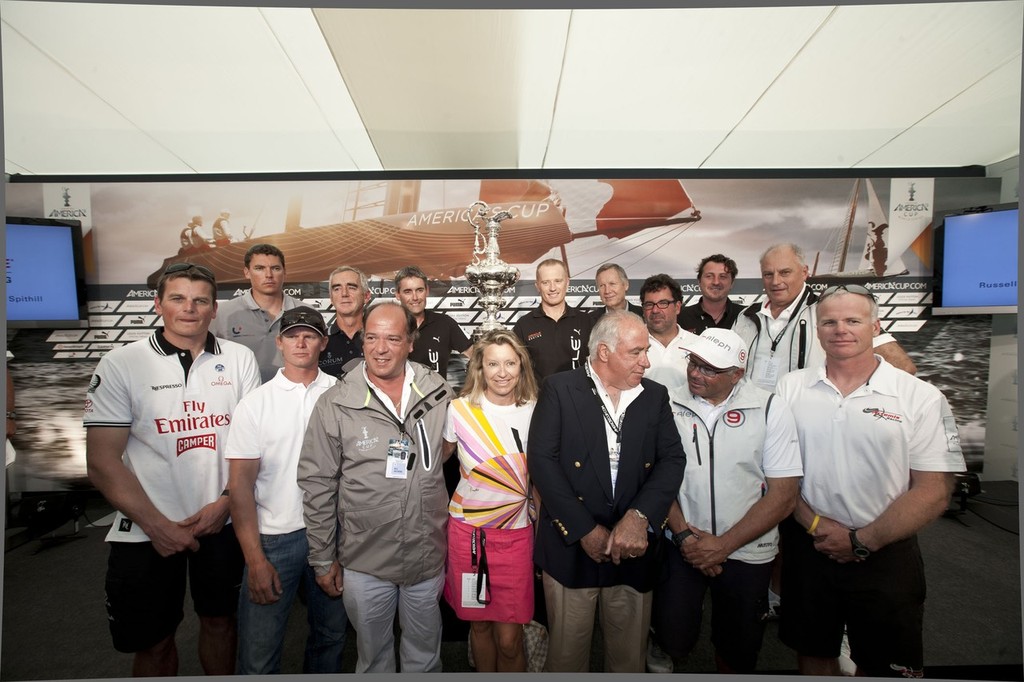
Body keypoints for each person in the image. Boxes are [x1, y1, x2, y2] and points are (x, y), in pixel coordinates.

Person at [776, 284, 965, 677]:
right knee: (812, 649)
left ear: (876, 326)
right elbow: (777, 473)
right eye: (829, 321)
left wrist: (863, 540)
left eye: (852, 320)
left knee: (885, 665)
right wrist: (814, 524)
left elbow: (934, 490)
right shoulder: (790, 388)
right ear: (817, 328)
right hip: (809, 543)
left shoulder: (921, 397)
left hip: (886, 550)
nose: (840, 329)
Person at [84, 263, 261, 676]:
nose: (190, 309)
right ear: (158, 303)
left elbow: (254, 446)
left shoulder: (239, 359)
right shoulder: (120, 363)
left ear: (215, 309)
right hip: (146, 528)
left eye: (200, 300)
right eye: (178, 298)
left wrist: (225, 503)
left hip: (222, 521)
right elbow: (102, 460)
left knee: (221, 623)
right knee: (154, 642)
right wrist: (158, 526)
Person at [297, 301, 454, 673]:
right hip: (365, 559)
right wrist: (322, 558)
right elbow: (317, 484)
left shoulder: (438, 392)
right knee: (373, 659)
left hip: (426, 552)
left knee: (424, 656)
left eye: (392, 338)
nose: (380, 348)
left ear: (410, 342)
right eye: (372, 338)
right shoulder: (335, 403)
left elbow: (449, 450)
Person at [528, 310, 685, 672]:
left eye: (646, 351)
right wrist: (583, 530)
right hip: (571, 548)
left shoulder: (654, 396)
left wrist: (639, 518)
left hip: (633, 548)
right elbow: (542, 463)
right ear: (603, 352)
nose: (646, 361)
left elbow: (672, 460)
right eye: (636, 352)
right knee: (567, 658)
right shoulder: (559, 389)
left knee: (628, 658)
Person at [650, 328, 802, 673]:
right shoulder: (667, 403)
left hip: (747, 552)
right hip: (682, 545)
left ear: (737, 374)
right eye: (693, 362)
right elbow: (656, 478)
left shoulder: (770, 408)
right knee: (673, 637)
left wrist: (723, 545)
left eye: (709, 369)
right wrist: (687, 538)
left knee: (739, 647)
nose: (694, 373)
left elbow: (784, 494)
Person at [225, 306, 348, 674]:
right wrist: (255, 559)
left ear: (323, 343)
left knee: (330, 637)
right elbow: (239, 487)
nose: (301, 342)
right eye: (292, 335)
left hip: (333, 533)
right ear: (279, 342)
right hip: (276, 538)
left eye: (309, 335)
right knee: (259, 651)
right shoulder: (255, 404)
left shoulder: (344, 395)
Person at [441, 330, 539, 672]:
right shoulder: (457, 410)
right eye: (493, 363)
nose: (502, 372)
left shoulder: (535, 410)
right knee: (479, 626)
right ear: (479, 368)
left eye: (510, 363)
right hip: (469, 537)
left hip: (516, 536)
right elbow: (434, 463)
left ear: (521, 366)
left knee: (511, 639)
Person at [733, 243, 916, 392]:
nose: (776, 281)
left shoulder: (831, 311)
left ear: (804, 272)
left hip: (804, 421)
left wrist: (853, 402)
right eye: (768, 274)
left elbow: (903, 367)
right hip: (752, 419)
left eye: (785, 272)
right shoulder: (746, 315)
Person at [210, 243, 301, 384]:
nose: (269, 275)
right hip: (239, 399)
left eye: (275, 268)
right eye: (259, 268)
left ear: (284, 272)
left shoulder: (306, 312)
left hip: (294, 400)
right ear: (247, 272)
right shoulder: (222, 314)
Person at [512, 258, 594, 384]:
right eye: (545, 282)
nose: (552, 288)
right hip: (539, 400)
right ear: (537, 286)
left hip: (579, 399)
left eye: (558, 281)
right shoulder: (524, 325)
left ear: (567, 283)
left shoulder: (587, 321)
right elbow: (516, 368)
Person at [394, 265, 471, 379]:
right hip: (398, 396)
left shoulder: (445, 323)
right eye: (408, 292)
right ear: (397, 295)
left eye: (419, 290)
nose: (415, 297)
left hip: (437, 395)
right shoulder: (388, 325)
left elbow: (476, 356)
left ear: (427, 291)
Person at [640, 273, 699, 391]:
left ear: (677, 307)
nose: (655, 310)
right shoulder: (630, 345)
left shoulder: (697, 345)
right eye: (649, 304)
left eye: (663, 303)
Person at [318, 265, 372, 377]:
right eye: (337, 289)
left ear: (366, 296)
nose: (344, 294)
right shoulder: (318, 342)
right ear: (331, 298)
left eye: (352, 287)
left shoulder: (381, 339)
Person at [677, 254, 745, 335]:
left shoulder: (746, 317)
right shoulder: (680, 317)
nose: (716, 282)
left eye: (723, 277)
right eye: (709, 276)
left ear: (732, 283)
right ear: (699, 281)